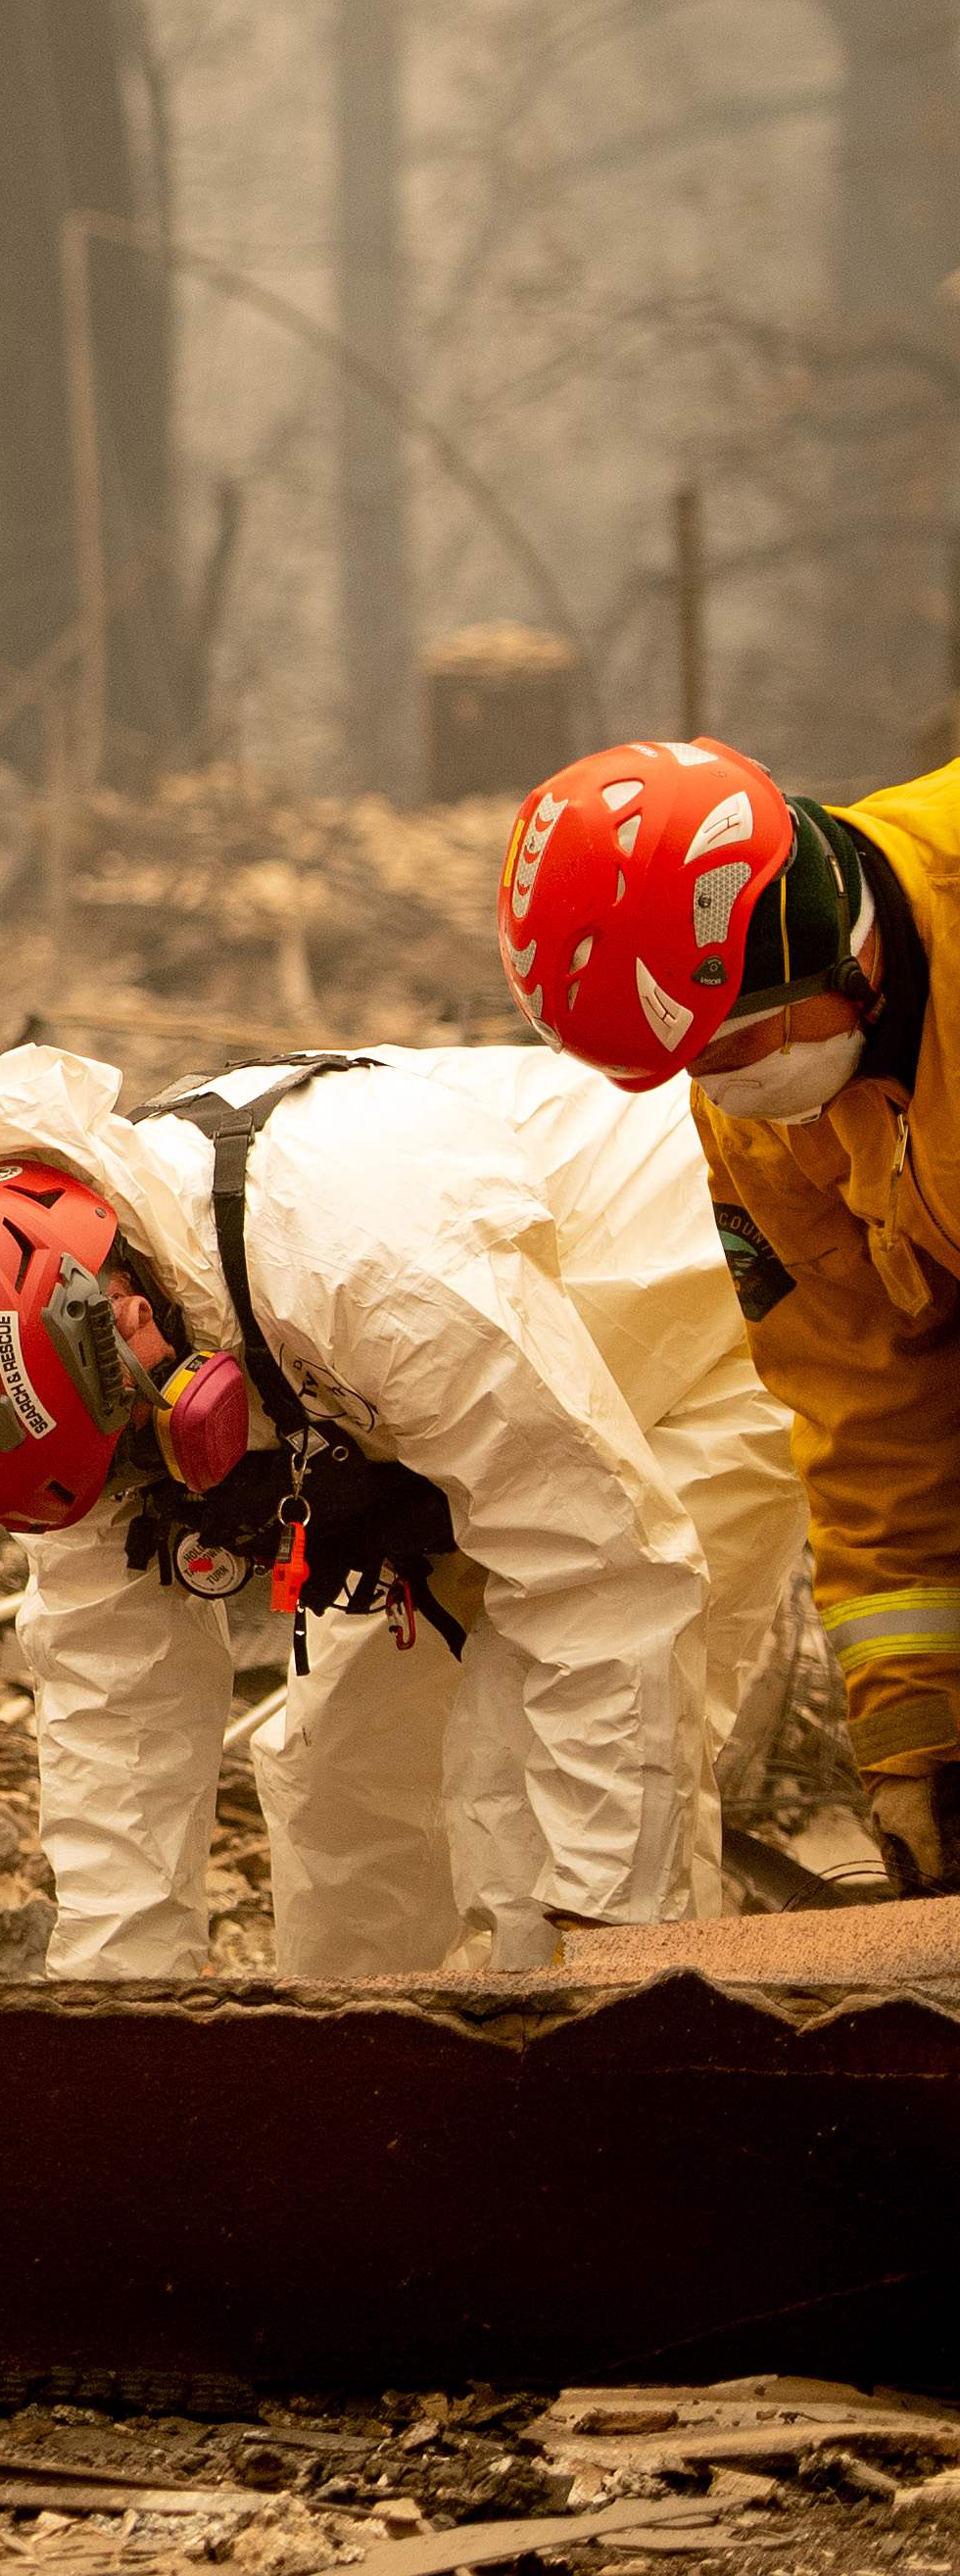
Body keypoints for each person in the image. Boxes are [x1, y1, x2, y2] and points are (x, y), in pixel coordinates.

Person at [0, 1043, 792, 1975]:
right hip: (440, 1432)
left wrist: (609, 1954)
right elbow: (115, 1703)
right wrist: (123, 2026)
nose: (149, 1461)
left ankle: (608, 2084)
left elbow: (601, 1581)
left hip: (697, 1322)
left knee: (530, 1835)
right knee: (352, 1813)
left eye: (138, 1433)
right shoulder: (67, 1399)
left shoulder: (354, 1258)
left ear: (119, 1307)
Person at [498, 734, 960, 1885]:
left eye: (735, 1042)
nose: (726, 1086)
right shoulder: (761, 1111)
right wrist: (917, 1737)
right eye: (688, 1063)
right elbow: (863, 1398)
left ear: (833, 944)